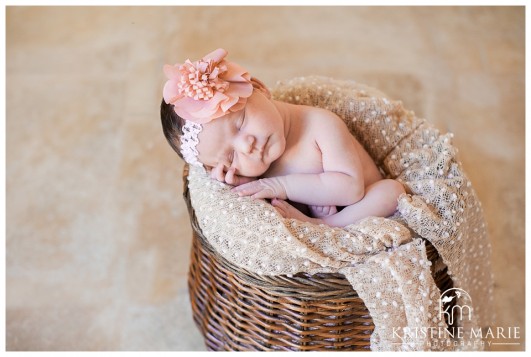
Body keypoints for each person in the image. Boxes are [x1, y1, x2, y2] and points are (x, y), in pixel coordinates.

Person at [160, 48, 405, 227]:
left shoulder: (320, 124)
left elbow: (351, 189)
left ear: (259, 88)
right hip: (310, 222)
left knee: (393, 192)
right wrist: (240, 181)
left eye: (241, 123)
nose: (247, 145)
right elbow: (258, 195)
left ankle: (330, 227)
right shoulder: (257, 168)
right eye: (231, 156)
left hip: (363, 208)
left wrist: (279, 186)